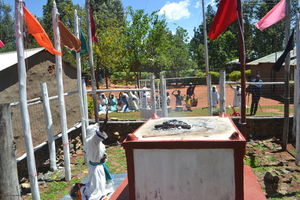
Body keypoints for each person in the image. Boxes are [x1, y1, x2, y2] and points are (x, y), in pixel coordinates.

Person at [78, 124, 113, 200]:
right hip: (96, 167)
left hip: (96, 165)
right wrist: (101, 130)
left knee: (99, 181)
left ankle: (100, 189)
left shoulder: (91, 142)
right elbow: (97, 137)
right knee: (97, 185)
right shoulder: (92, 141)